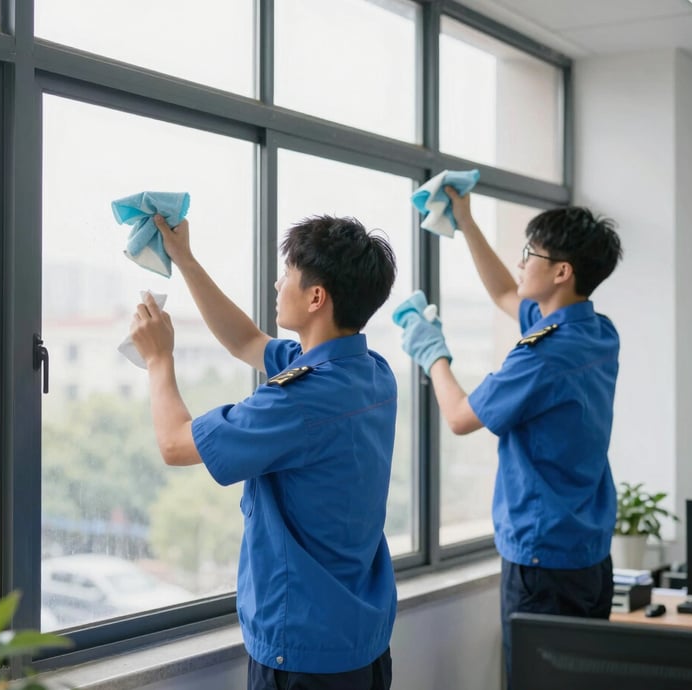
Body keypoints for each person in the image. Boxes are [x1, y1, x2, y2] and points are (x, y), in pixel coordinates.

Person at [130, 213, 398, 690]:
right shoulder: (371, 373)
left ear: (316, 297)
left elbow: (174, 444)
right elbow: (247, 341)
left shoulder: (298, 401)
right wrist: (185, 260)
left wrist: (157, 360)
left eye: (289, 274)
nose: (278, 283)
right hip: (362, 643)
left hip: (303, 658)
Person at [392, 187, 623, 688]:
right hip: (589, 556)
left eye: (529, 255)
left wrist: (432, 352)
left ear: (562, 271)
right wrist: (467, 222)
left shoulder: (541, 356)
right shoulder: (599, 333)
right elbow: (505, 293)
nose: (520, 264)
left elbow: (459, 416)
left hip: (543, 564)